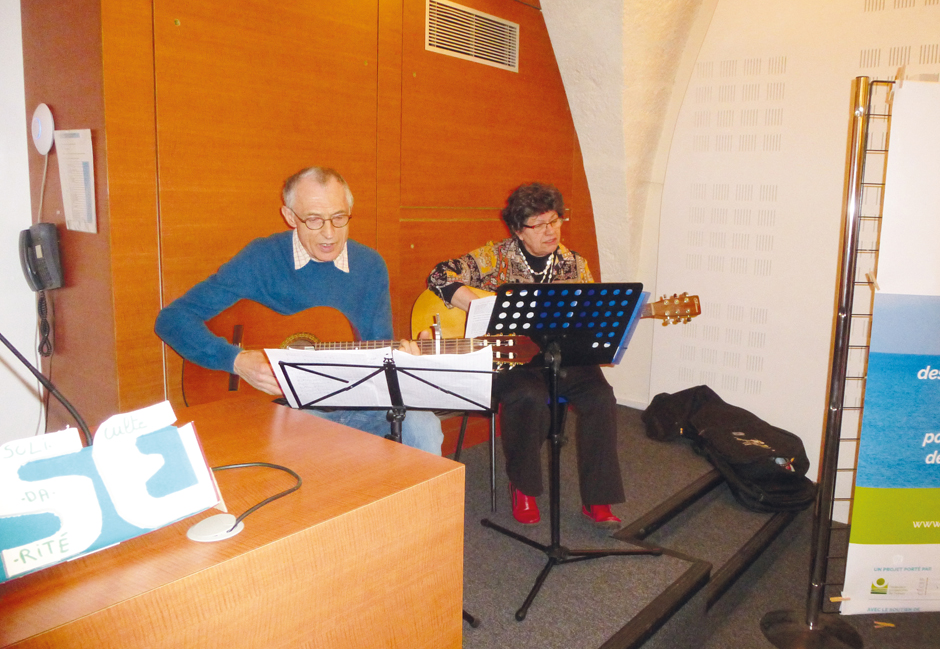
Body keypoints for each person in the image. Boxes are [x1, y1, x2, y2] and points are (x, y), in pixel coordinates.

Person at [155, 166, 443, 454]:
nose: (329, 233)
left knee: (424, 425)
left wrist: (405, 362)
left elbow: (379, 348)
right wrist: (236, 360)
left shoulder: (370, 266)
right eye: (314, 220)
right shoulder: (262, 258)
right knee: (305, 436)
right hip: (284, 409)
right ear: (290, 217)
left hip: (356, 404)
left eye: (339, 218)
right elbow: (172, 320)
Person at [426, 182, 624, 526]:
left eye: (555, 220)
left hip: (561, 355)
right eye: (539, 224)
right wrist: (477, 307)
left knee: (600, 396)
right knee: (527, 395)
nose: (551, 231)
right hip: (512, 358)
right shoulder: (496, 257)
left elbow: (592, 317)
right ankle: (524, 487)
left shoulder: (574, 264)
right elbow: (438, 276)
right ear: (518, 230)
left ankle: (599, 498)